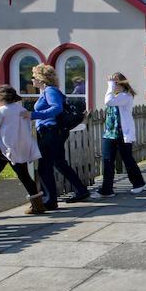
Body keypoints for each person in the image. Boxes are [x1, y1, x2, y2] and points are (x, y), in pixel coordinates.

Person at [0, 85, 44, 218]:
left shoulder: (0, 111)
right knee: (24, 176)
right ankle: (38, 205)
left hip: (1, 149)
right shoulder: (22, 109)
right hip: (17, 149)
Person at [30, 63, 90, 208]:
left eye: (33, 76)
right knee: (59, 163)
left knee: (45, 167)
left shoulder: (50, 91)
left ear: (41, 78)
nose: (32, 80)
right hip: (55, 132)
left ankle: (49, 201)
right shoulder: (49, 91)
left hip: (50, 132)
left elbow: (56, 108)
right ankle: (81, 190)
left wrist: (33, 114)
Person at [92, 72, 146, 198]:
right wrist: (111, 88)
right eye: (111, 83)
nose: (112, 86)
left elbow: (108, 102)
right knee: (107, 161)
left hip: (122, 133)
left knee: (127, 159)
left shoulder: (125, 96)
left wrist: (110, 86)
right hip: (109, 133)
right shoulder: (116, 95)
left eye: (114, 83)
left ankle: (139, 183)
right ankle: (107, 190)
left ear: (121, 84)